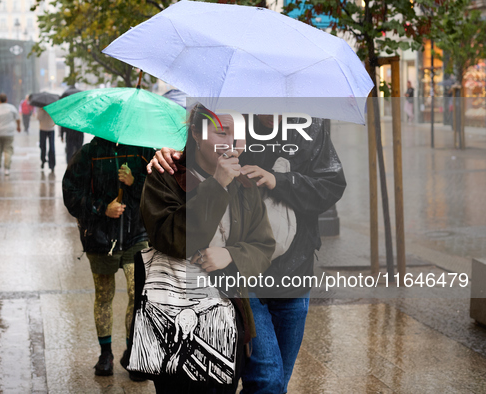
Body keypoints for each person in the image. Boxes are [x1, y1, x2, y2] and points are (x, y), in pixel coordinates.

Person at [148, 113, 347, 394]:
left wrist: (280, 181)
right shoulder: (234, 118)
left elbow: (332, 185)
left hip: (293, 268)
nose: (274, 116)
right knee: (266, 378)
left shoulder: (310, 127)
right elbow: (198, 156)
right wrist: (170, 156)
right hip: (240, 278)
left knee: (277, 381)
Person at [139, 105, 275, 394]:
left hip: (227, 317)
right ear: (196, 135)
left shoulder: (245, 184)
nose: (231, 143)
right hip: (173, 317)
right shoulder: (165, 174)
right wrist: (217, 185)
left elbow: (263, 246)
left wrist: (232, 255)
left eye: (237, 135)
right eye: (221, 132)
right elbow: (171, 238)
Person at [62, 137, 154, 380]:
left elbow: (159, 190)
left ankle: (133, 353)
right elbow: (71, 195)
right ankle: (105, 355)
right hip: (101, 238)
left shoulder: (143, 150)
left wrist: (135, 182)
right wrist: (102, 208)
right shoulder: (88, 153)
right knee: (104, 295)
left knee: (138, 294)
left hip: (136, 235)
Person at [0, 93, 20, 176]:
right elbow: (18, 118)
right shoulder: (11, 107)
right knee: (8, 150)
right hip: (9, 132)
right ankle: (7, 168)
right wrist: (18, 127)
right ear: (6, 100)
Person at [60, 86, 84, 163]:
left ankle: (70, 165)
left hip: (70, 133)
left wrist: (61, 134)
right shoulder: (81, 109)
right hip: (78, 133)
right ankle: (77, 164)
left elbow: (63, 123)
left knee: (69, 151)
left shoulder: (67, 110)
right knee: (78, 150)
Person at [36, 108, 56, 172]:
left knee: (52, 148)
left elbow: (55, 118)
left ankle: (52, 164)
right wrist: (42, 111)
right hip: (42, 129)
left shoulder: (53, 108)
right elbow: (38, 118)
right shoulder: (40, 108)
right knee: (42, 146)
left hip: (51, 129)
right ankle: (43, 160)